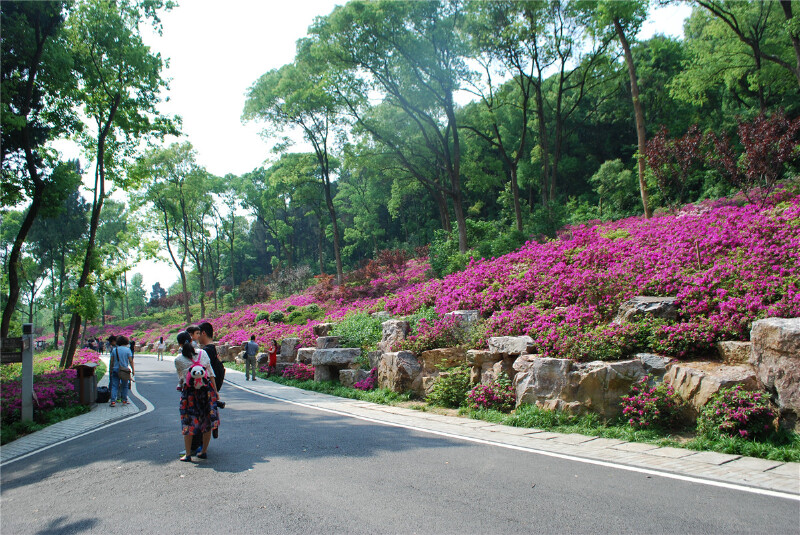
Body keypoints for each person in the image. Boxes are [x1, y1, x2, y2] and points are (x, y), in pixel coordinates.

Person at [175, 330, 219, 462]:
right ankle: (203, 451)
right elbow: (211, 374)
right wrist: (216, 392)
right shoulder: (202, 353)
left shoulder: (178, 359)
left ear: (180, 344)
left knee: (188, 422)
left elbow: (181, 379)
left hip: (190, 394)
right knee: (207, 421)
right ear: (191, 340)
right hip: (206, 392)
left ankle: (188, 454)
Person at [109, 335, 134, 406]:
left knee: (114, 386)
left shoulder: (115, 350)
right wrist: (133, 370)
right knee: (125, 385)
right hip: (124, 370)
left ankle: (113, 401)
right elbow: (130, 361)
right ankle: (124, 400)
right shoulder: (128, 350)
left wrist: (110, 370)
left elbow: (112, 361)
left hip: (115, 369)